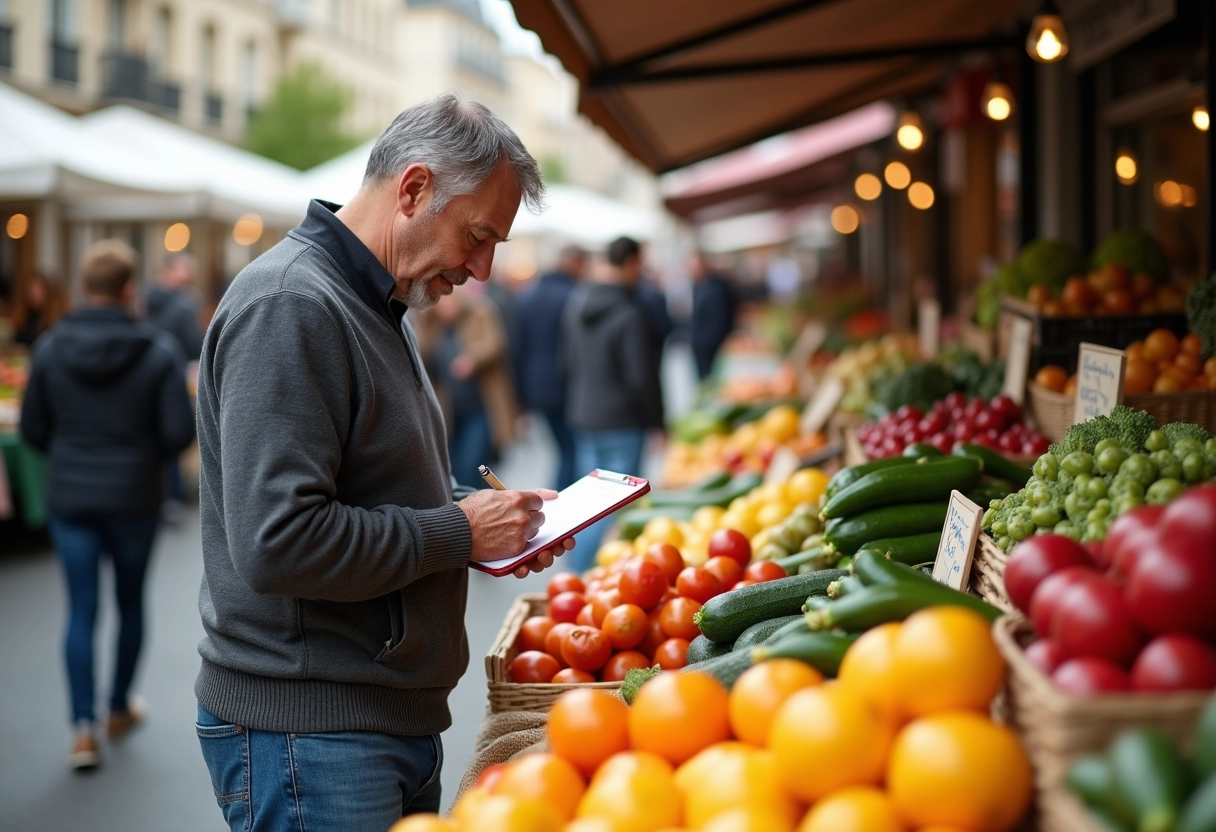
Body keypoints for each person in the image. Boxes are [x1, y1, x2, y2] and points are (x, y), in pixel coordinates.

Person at [192, 94, 572, 832]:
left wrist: (493, 519)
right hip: (314, 734)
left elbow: (373, 485)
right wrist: (459, 532)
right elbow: (279, 542)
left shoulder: (374, 301)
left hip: (363, 723)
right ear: (414, 189)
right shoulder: (292, 304)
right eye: (478, 235)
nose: (484, 268)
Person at [19, 240, 195, 771]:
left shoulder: (50, 348)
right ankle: (117, 707)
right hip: (133, 497)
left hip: (71, 497)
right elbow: (177, 434)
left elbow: (32, 429)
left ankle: (81, 730)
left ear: (80, 289)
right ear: (128, 291)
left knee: (81, 608)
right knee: (130, 602)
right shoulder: (158, 351)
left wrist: (72, 454)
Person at [562, 237, 664, 571]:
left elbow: (567, 361)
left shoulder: (577, 302)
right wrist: (657, 421)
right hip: (622, 420)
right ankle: (584, 574)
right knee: (617, 508)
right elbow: (641, 377)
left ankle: (578, 573)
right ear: (632, 263)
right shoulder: (628, 312)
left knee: (591, 503)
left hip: (584, 414)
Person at [415, 286, 520, 490]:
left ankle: (481, 509)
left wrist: (472, 359)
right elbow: (424, 354)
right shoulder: (432, 323)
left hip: (479, 404)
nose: (447, 309)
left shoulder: (480, 312)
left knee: (472, 464)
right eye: (442, 305)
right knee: (452, 465)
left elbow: (495, 342)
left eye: (451, 304)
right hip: (449, 408)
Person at [512, 244, 585, 489]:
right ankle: (562, 499)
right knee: (572, 449)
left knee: (564, 448)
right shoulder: (574, 295)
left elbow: (518, 347)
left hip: (536, 385)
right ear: (574, 263)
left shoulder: (527, 295)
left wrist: (520, 394)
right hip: (568, 384)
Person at [145, 253, 204, 522]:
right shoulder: (185, 303)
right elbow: (193, 344)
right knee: (173, 433)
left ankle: (156, 493)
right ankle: (173, 497)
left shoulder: (147, 299)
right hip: (174, 373)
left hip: (145, 373)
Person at [688, 251, 738, 380]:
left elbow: (718, 323)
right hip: (701, 347)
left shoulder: (714, 289)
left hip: (709, 348)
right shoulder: (699, 287)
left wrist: (703, 343)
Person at [145, 253, 203, 362]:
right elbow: (192, 344)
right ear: (169, 271)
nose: (189, 275)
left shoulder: (146, 296)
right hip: (179, 362)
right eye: (186, 269)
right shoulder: (185, 304)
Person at [12, 271, 68, 347]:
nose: (34, 293)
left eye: (39, 289)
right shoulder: (25, 317)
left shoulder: (56, 321)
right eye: (30, 289)